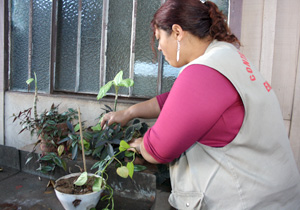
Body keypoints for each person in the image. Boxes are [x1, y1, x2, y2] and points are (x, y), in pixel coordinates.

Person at [101, 0, 300, 209]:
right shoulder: (225, 57)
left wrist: (138, 144)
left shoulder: (203, 73)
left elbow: (158, 150)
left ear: (177, 32)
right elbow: (173, 101)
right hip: (277, 194)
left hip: (251, 201)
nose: (159, 47)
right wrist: (129, 112)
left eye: (159, 38)